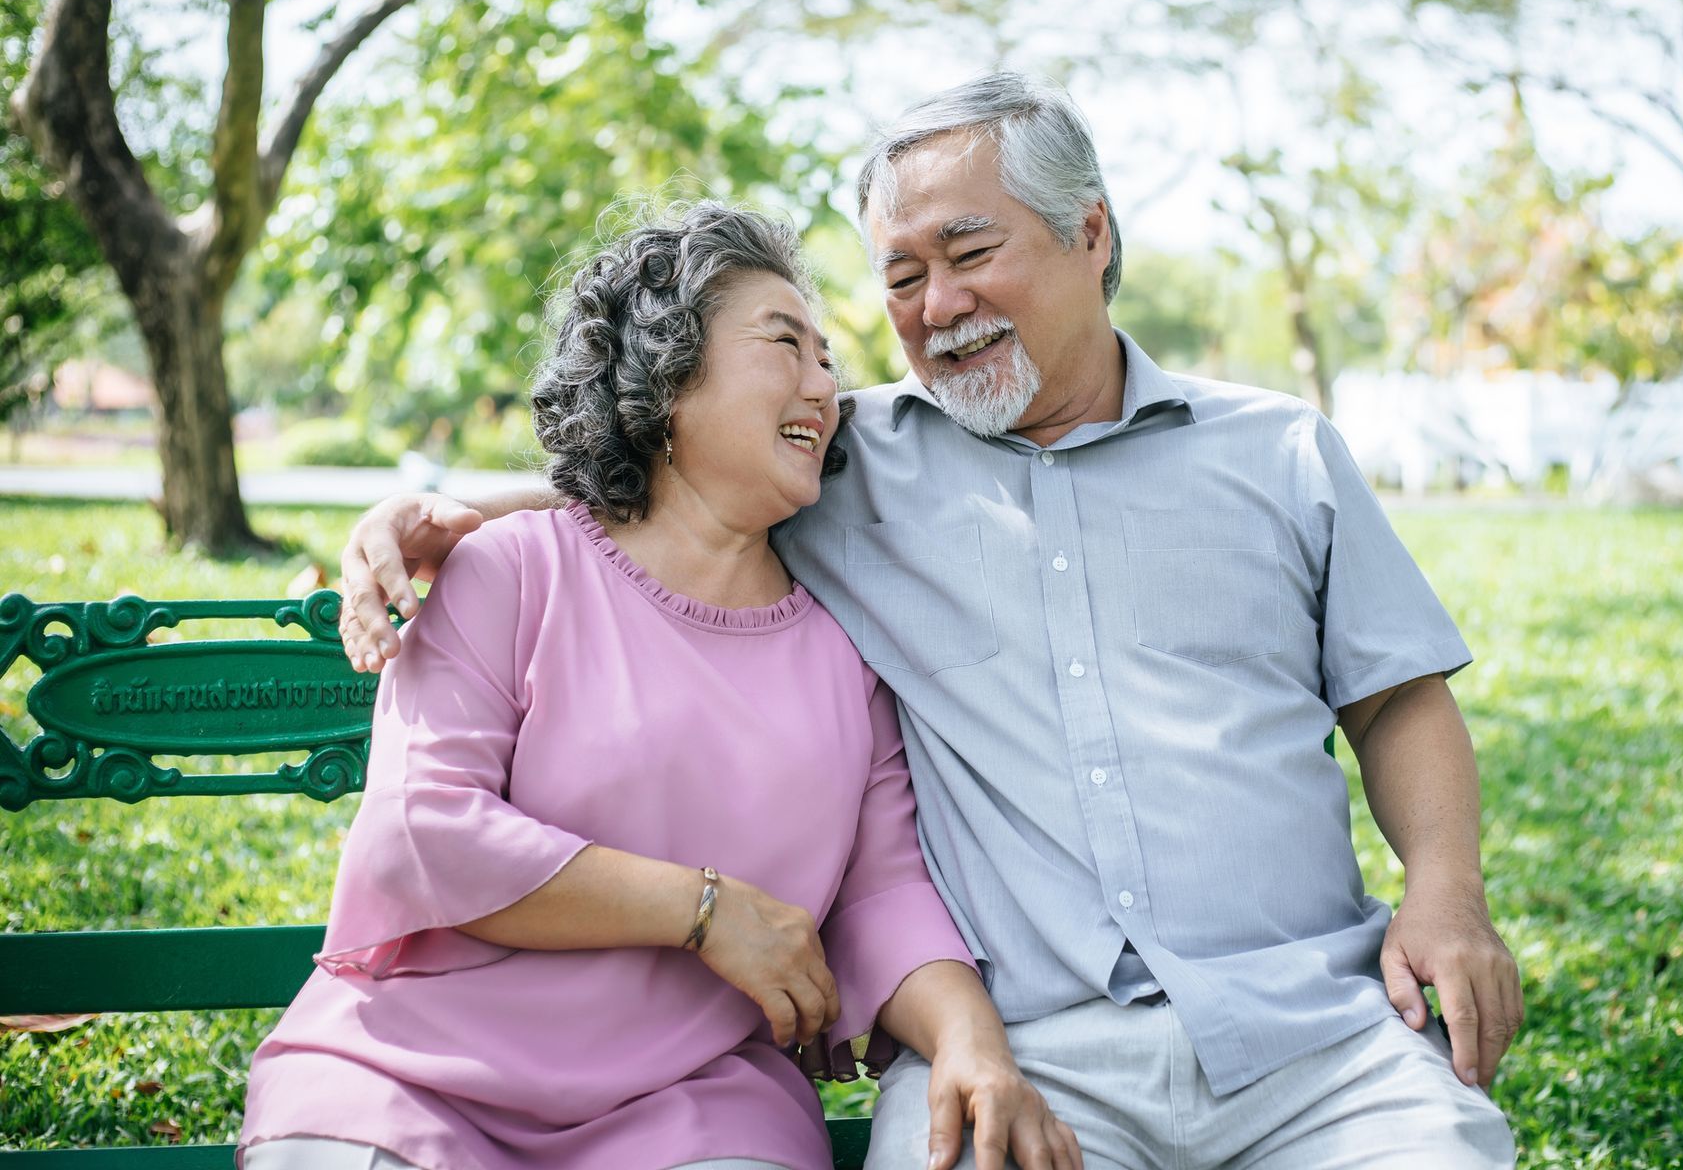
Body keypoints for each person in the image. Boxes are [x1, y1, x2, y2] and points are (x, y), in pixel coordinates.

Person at [340, 75, 1524, 1168]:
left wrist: (1446, 890)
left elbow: (1396, 695)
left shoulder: (1280, 450)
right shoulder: (859, 461)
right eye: (901, 278)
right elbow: (679, 462)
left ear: (1091, 233)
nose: (939, 305)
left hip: (1314, 1032)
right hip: (1028, 1043)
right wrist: (432, 507)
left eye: (970, 251)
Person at [242, 203, 1082, 1170]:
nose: (825, 386)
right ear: (669, 374)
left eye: (828, 360)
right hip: (410, 1073)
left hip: (695, 1101)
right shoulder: (512, 570)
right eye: (786, 345)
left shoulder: (847, 659)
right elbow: (419, 834)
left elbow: (883, 895)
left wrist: (974, 1045)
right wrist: (705, 912)